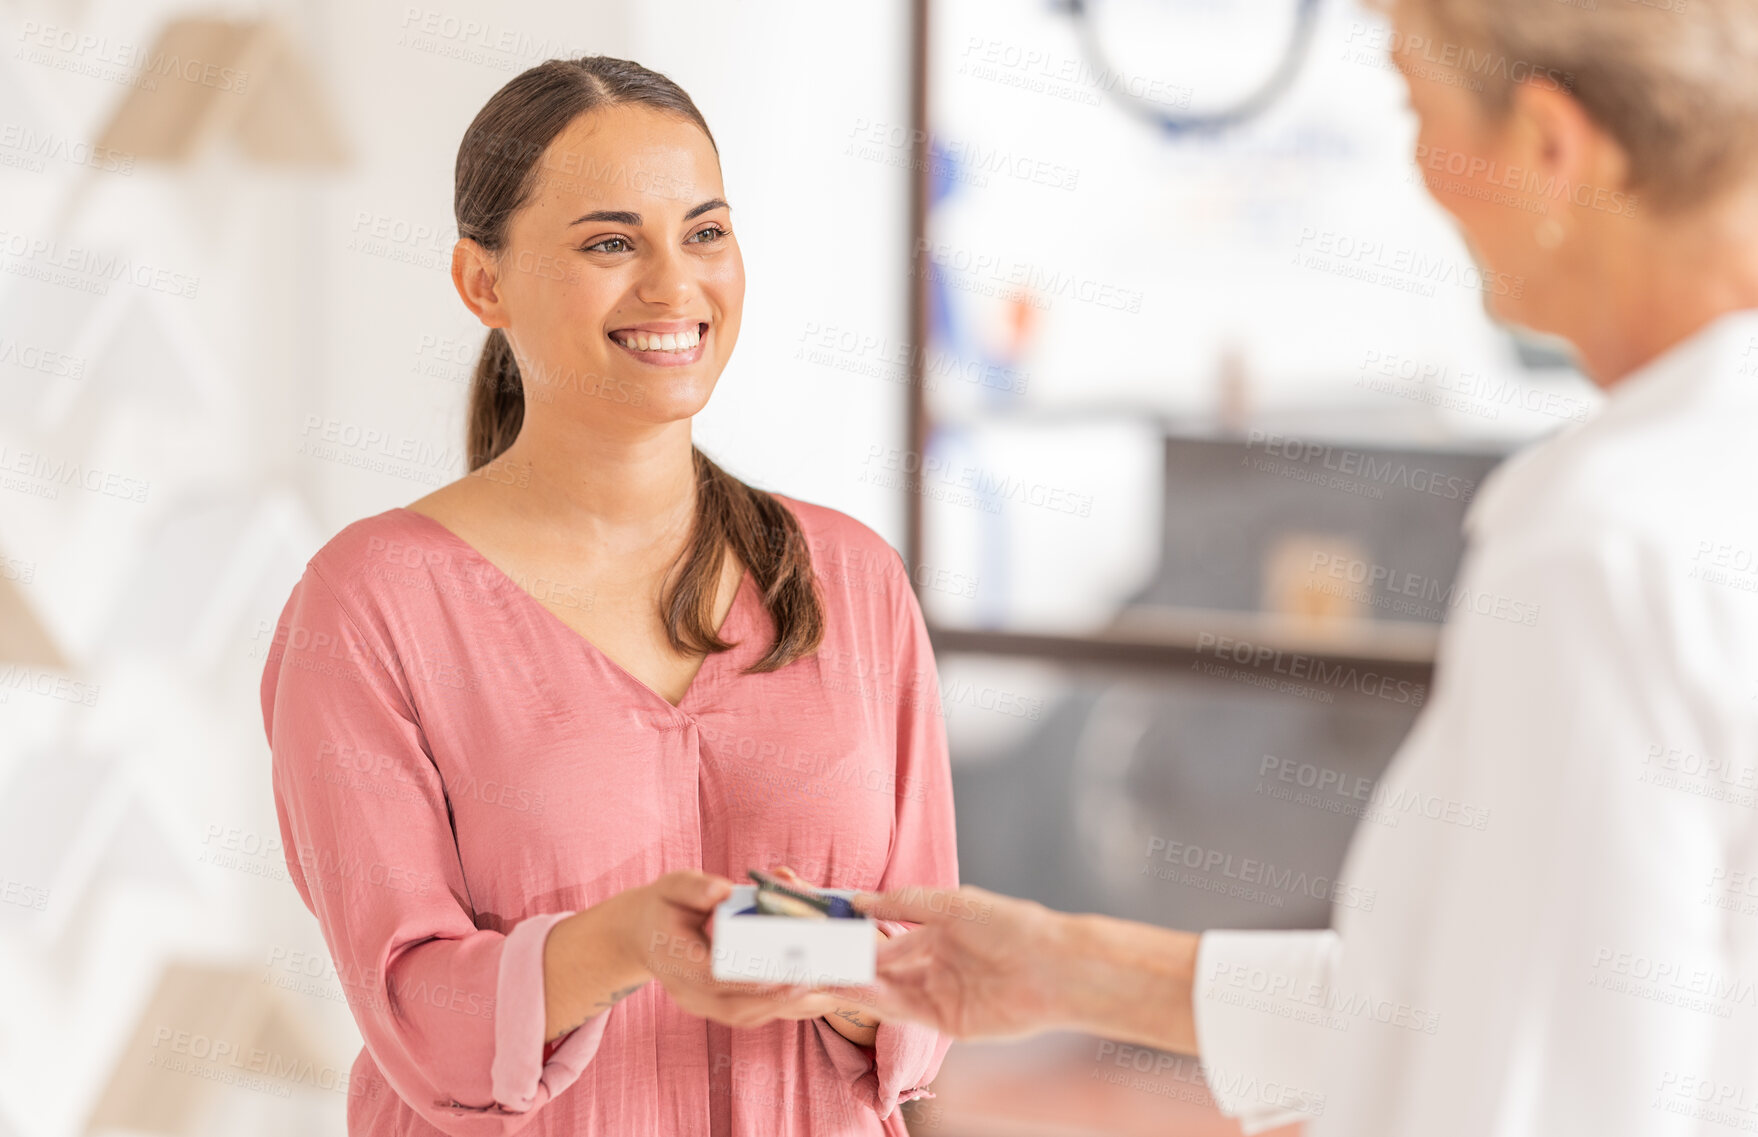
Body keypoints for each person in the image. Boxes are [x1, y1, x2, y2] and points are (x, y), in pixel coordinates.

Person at [851, 0, 1758, 1133]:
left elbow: (1534, 1091)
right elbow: (1488, 1002)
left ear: (1548, 145)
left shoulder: (1606, 545)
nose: (1422, 171)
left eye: (1416, 109)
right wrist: (1064, 965)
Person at [258, 56, 958, 1136]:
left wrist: (810, 959)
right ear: (481, 283)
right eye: (610, 242)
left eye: (706, 233)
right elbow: (414, 1016)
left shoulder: (852, 578)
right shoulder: (369, 605)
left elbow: (927, 975)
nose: (675, 288)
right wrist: (626, 942)